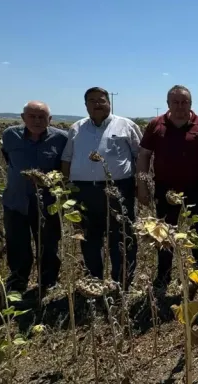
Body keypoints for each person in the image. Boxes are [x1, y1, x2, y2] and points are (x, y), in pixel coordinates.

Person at [61, 87, 142, 289]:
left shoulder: (126, 125)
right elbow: (67, 159)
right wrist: (65, 188)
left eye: (101, 100)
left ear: (109, 102)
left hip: (119, 188)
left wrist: (141, 185)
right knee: (89, 236)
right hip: (83, 190)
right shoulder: (76, 128)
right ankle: (94, 281)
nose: (97, 103)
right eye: (92, 100)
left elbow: (139, 156)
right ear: (86, 104)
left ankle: (122, 281)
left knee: (122, 235)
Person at [137, 85, 198, 289]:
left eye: (185, 102)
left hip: (195, 188)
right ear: (168, 104)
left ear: (191, 103)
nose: (180, 106)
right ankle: (163, 276)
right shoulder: (156, 125)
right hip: (164, 189)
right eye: (176, 102)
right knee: (163, 233)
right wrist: (142, 185)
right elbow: (144, 156)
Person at [1, 101, 68, 295]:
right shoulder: (10, 135)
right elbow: (8, 159)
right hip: (16, 201)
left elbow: (64, 168)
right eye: (32, 116)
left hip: (47, 203)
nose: (37, 120)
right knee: (17, 243)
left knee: (48, 244)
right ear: (23, 118)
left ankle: (48, 282)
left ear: (50, 119)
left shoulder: (62, 139)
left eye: (42, 117)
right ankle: (18, 281)